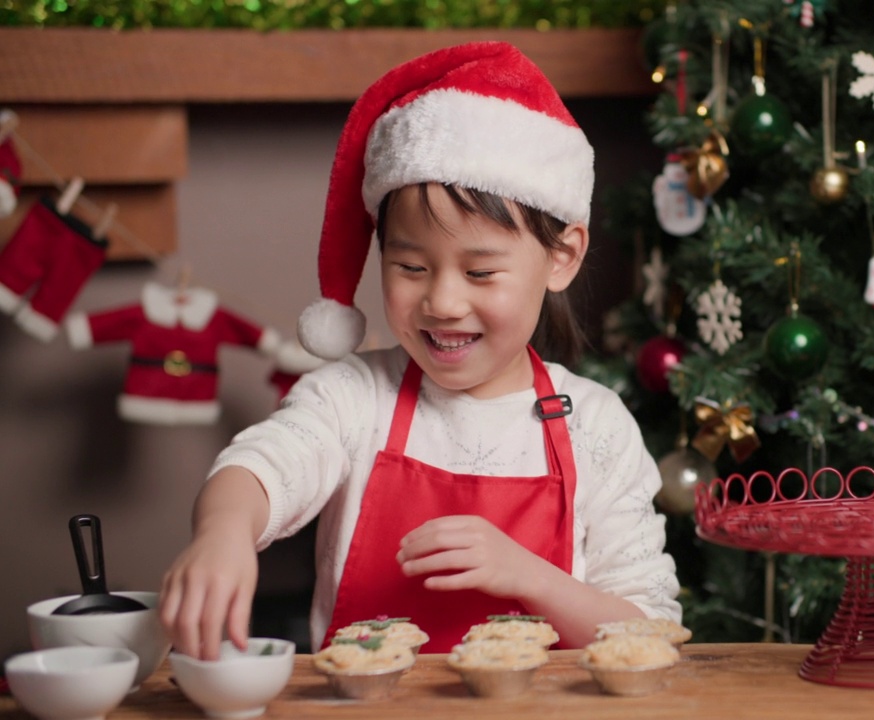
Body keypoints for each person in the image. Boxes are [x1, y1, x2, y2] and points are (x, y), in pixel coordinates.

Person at [158, 41, 681, 660]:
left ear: (561, 257)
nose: (443, 302)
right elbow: (265, 465)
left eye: (481, 273)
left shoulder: (597, 428)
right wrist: (223, 533)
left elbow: (646, 631)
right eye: (410, 266)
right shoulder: (354, 398)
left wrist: (528, 575)